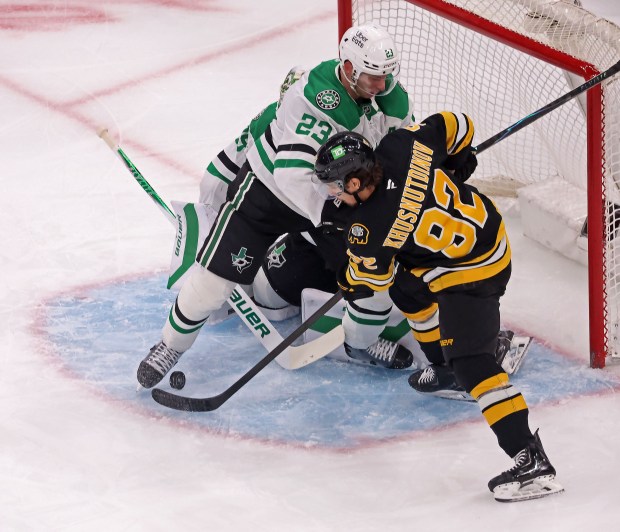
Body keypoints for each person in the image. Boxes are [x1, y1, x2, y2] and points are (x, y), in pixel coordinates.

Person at [138, 22, 417, 389]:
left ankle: (360, 341)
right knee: (213, 280)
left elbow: (404, 150)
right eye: (371, 77)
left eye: (385, 76)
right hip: (269, 193)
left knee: (370, 268)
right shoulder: (315, 99)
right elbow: (292, 175)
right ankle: (170, 345)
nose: (381, 86)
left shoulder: (390, 95)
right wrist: (336, 214)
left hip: (337, 193)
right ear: (349, 68)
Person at [312, 113, 563, 502]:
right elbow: (459, 123)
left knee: (474, 364)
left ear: (356, 182)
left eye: (335, 187)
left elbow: (370, 281)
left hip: (474, 270)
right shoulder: (400, 146)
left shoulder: (368, 228)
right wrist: (456, 160)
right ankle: (442, 369)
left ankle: (530, 460)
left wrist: (346, 281)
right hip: (480, 231)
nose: (334, 195)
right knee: (408, 292)